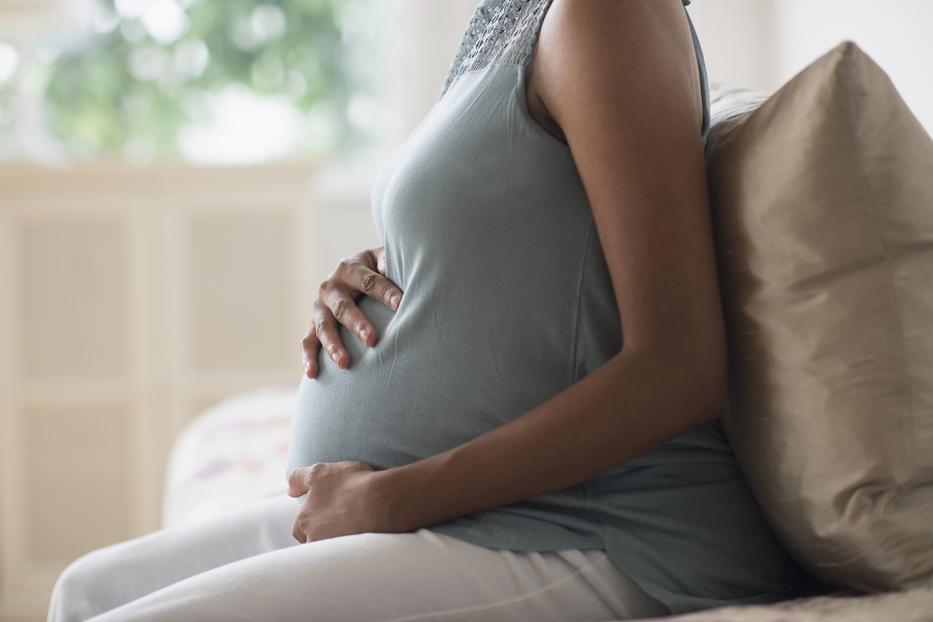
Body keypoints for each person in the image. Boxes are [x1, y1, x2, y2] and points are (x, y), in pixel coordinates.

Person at [48, 1, 793, 620]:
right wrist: (371, 274)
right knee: (83, 592)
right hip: (474, 512)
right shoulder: (508, 20)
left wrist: (394, 497)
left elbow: (680, 366)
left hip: (597, 529)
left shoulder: (607, 14)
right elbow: (516, 249)